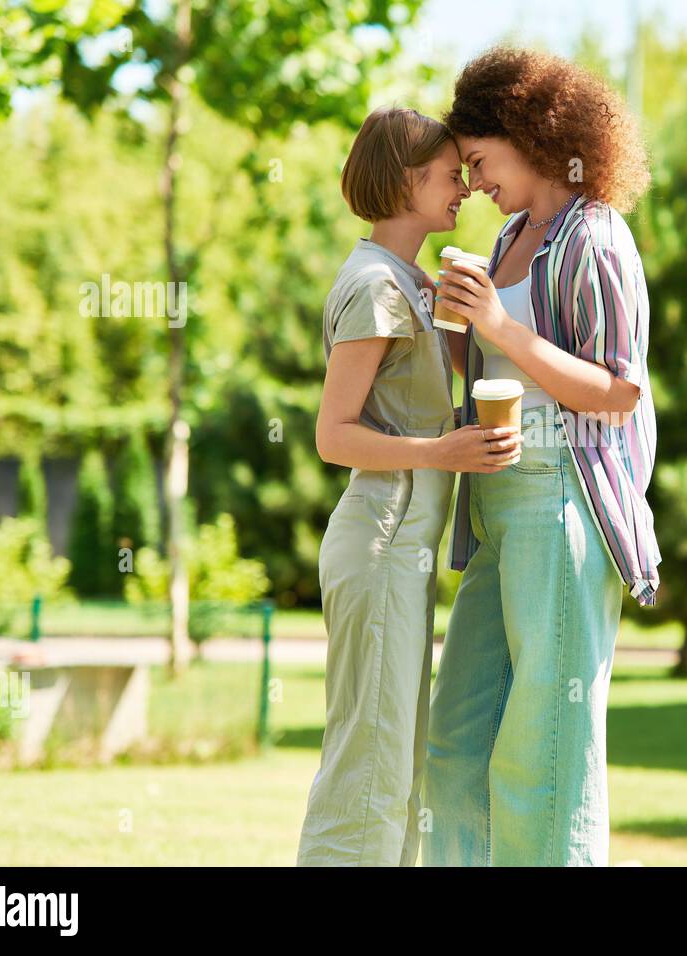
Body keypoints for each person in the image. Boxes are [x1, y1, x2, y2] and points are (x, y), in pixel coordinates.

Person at [425, 47, 662, 866]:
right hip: (495, 501)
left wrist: (495, 325)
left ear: (531, 134)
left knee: (542, 760)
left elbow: (617, 389)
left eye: (481, 161)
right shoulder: (507, 243)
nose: (476, 184)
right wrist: (454, 327)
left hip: (563, 499)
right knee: (454, 750)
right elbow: (496, 371)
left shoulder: (595, 236)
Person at [296, 106, 522, 866]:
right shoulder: (376, 287)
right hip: (382, 540)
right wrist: (444, 451)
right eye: (448, 172)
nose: (464, 186)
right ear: (403, 179)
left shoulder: (406, 282)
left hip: (402, 550)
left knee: (394, 768)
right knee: (370, 769)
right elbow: (335, 434)